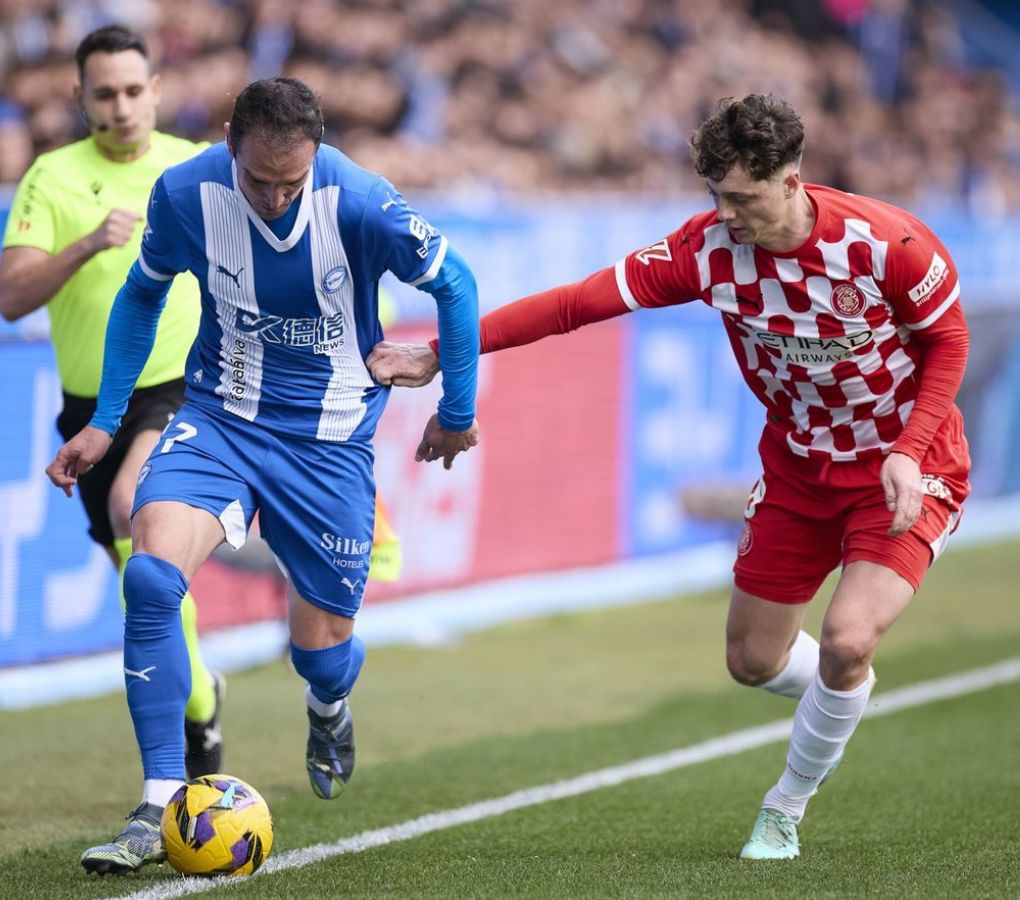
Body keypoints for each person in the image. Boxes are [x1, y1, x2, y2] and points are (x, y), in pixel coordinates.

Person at [369, 93, 971, 861]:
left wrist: (909, 450)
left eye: (744, 197)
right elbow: (574, 304)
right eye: (718, 196)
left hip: (905, 467)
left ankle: (784, 807)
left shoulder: (887, 243)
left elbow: (950, 341)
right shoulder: (706, 250)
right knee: (752, 662)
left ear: (792, 180)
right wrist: (440, 353)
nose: (729, 214)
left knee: (849, 637)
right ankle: (842, 690)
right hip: (797, 470)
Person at [46, 76, 480, 876]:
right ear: (228, 145)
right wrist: (106, 421)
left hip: (329, 441)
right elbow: (141, 296)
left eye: (292, 183)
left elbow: (456, 285)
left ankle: (328, 705)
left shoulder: (362, 202)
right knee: (149, 576)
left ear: (317, 156)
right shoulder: (186, 194)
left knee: (319, 654)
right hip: (221, 419)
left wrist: (457, 408)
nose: (276, 200)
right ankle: (159, 800)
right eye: (258, 181)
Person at [0, 26, 226, 785]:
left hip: (182, 385)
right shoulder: (52, 177)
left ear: (157, 90)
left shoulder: (196, 168)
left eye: (133, 91)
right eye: (105, 94)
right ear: (80, 97)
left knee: (135, 506)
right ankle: (200, 702)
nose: (121, 107)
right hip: (91, 406)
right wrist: (87, 244)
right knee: (142, 579)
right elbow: (10, 297)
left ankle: (175, 751)